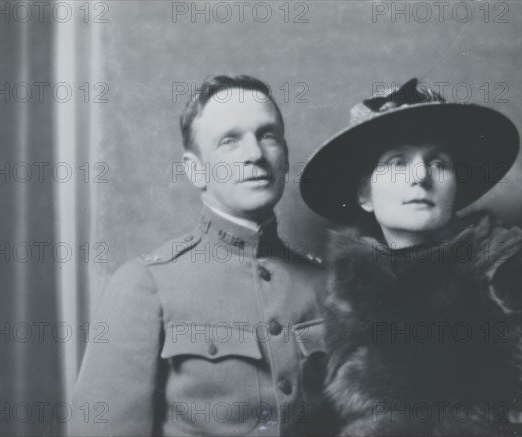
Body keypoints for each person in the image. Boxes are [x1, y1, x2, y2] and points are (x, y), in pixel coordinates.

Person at [300, 79, 522, 435]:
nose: (421, 177)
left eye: (438, 163)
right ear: (365, 195)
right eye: (397, 162)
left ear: (455, 187)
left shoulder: (509, 274)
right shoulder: (340, 297)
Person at [70, 75, 333, 436]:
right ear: (195, 169)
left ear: (285, 157)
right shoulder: (147, 285)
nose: (255, 154)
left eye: (267, 135)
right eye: (229, 140)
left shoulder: (324, 287)